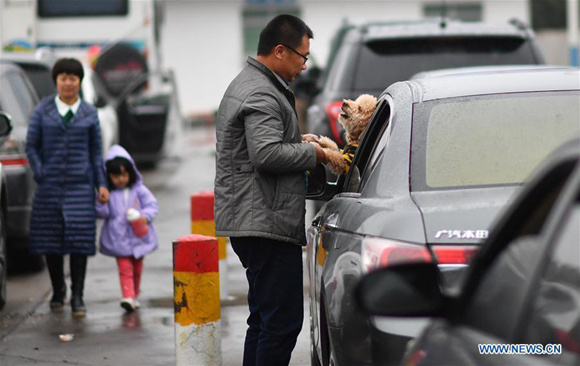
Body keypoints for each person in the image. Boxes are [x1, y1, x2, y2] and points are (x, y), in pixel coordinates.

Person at [213, 14, 327, 366]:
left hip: (256, 219)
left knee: (263, 320)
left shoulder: (252, 83)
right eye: (302, 56)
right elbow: (265, 154)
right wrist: (314, 152)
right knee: (281, 323)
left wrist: (297, 140)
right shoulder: (261, 92)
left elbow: (264, 146)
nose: (305, 66)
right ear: (280, 51)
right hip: (266, 224)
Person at [26, 57, 110, 317]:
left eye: (73, 78)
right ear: (56, 81)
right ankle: (58, 289)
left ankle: (77, 295)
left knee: (79, 242)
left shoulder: (88, 113)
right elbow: (31, 146)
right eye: (63, 78)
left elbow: (96, 153)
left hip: (80, 188)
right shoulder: (42, 111)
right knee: (51, 241)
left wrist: (101, 184)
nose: (68, 83)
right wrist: (40, 172)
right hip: (49, 188)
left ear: (79, 81)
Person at [96, 145, 158, 312]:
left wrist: (144, 216)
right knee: (125, 268)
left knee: (137, 268)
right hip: (119, 239)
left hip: (138, 237)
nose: (121, 179)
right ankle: (128, 296)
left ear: (131, 173)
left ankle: (134, 294)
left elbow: (152, 205)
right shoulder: (109, 194)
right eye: (116, 176)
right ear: (108, 176)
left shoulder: (139, 190)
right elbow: (103, 213)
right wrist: (101, 202)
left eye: (124, 174)